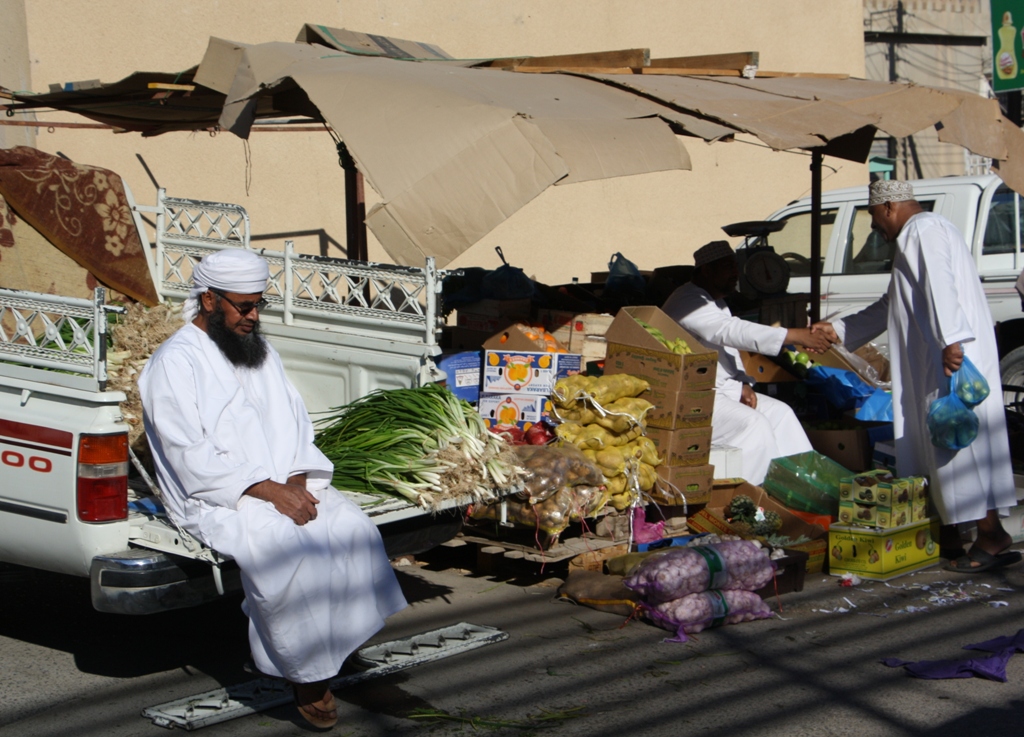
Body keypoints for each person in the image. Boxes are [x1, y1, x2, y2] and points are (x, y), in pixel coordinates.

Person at [138, 249, 407, 729]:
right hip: (218, 495)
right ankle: (308, 675)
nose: (253, 316)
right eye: (244, 306)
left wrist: (298, 479)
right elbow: (187, 454)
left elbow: (296, 423)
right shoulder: (175, 363)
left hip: (283, 479)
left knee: (353, 530)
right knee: (287, 550)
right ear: (208, 300)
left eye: (258, 304)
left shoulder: (258, 351)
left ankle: (332, 646)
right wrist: (269, 492)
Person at [812, 179, 1020, 573]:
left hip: (948, 360)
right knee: (942, 446)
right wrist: (837, 332)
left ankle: (991, 534)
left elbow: (941, 286)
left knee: (955, 445)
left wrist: (951, 340)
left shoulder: (920, 230)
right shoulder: (928, 231)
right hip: (942, 356)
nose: (876, 227)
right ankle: (955, 534)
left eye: (874, 217)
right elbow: (892, 302)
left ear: (889, 207)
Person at [662, 240, 835, 485]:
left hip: (724, 392)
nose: (735, 274)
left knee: (781, 414)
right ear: (706, 270)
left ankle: (806, 485)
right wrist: (795, 335)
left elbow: (728, 349)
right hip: (694, 398)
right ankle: (747, 499)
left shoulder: (716, 301)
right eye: (727, 267)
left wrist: (742, 382)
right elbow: (727, 332)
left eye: (736, 267)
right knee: (754, 425)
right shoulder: (687, 301)